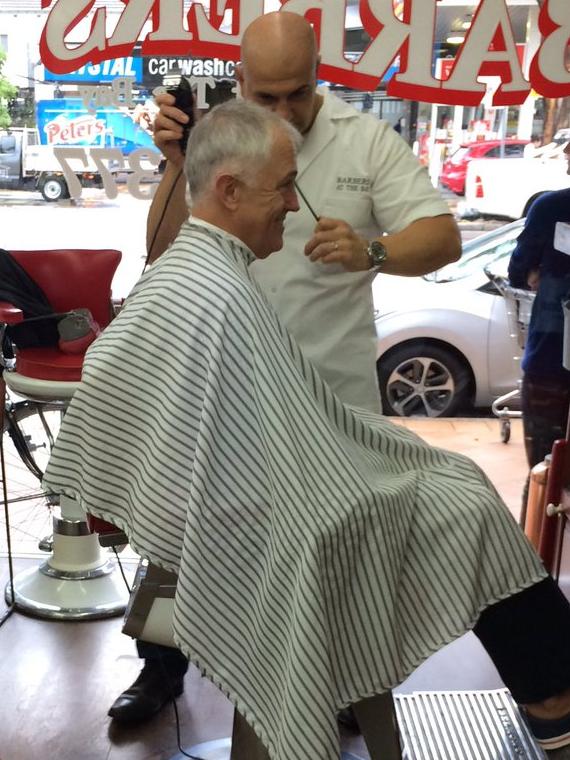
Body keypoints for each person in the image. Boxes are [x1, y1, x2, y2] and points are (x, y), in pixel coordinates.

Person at [42, 101, 570, 758]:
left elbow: (133, 376)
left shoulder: (209, 271)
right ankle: (556, 707)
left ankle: (555, 701)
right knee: (464, 502)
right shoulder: (207, 284)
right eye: (284, 187)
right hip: (265, 513)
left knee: (452, 481)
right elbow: (123, 377)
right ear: (229, 191)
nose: (296, 205)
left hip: (294, 455)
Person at [112, 9, 462, 724]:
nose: (282, 111)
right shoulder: (218, 144)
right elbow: (162, 251)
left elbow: (444, 236)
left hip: (329, 397)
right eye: (264, 96)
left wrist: (375, 251)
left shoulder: (367, 142)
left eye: (295, 93)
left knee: (335, 557)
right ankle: (161, 669)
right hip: (224, 394)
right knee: (183, 538)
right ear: (238, 81)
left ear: (317, 79)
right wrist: (180, 166)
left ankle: (335, 683)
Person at [508, 140, 570, 475]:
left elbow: (518, 270)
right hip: (551, 352)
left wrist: (537, 271)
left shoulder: (551, 208)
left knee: (545, 471)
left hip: (551, 356)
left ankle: (539, 527)